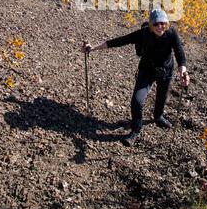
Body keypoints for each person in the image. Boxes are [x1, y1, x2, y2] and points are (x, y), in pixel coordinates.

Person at [81, 9, 190, 146]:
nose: (159, 27)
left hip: (166, 71)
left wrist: (183, 71)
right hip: (146, 70)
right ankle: (136, 129)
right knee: (137, 101)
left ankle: (158, 117)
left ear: (166, 23)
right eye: (155, 24)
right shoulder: (143, 34)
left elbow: (180, 54)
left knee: (162, 98)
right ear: (150, 25)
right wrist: (93, 48)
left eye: (162, 23)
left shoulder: (171, 33)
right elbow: (119, 41)